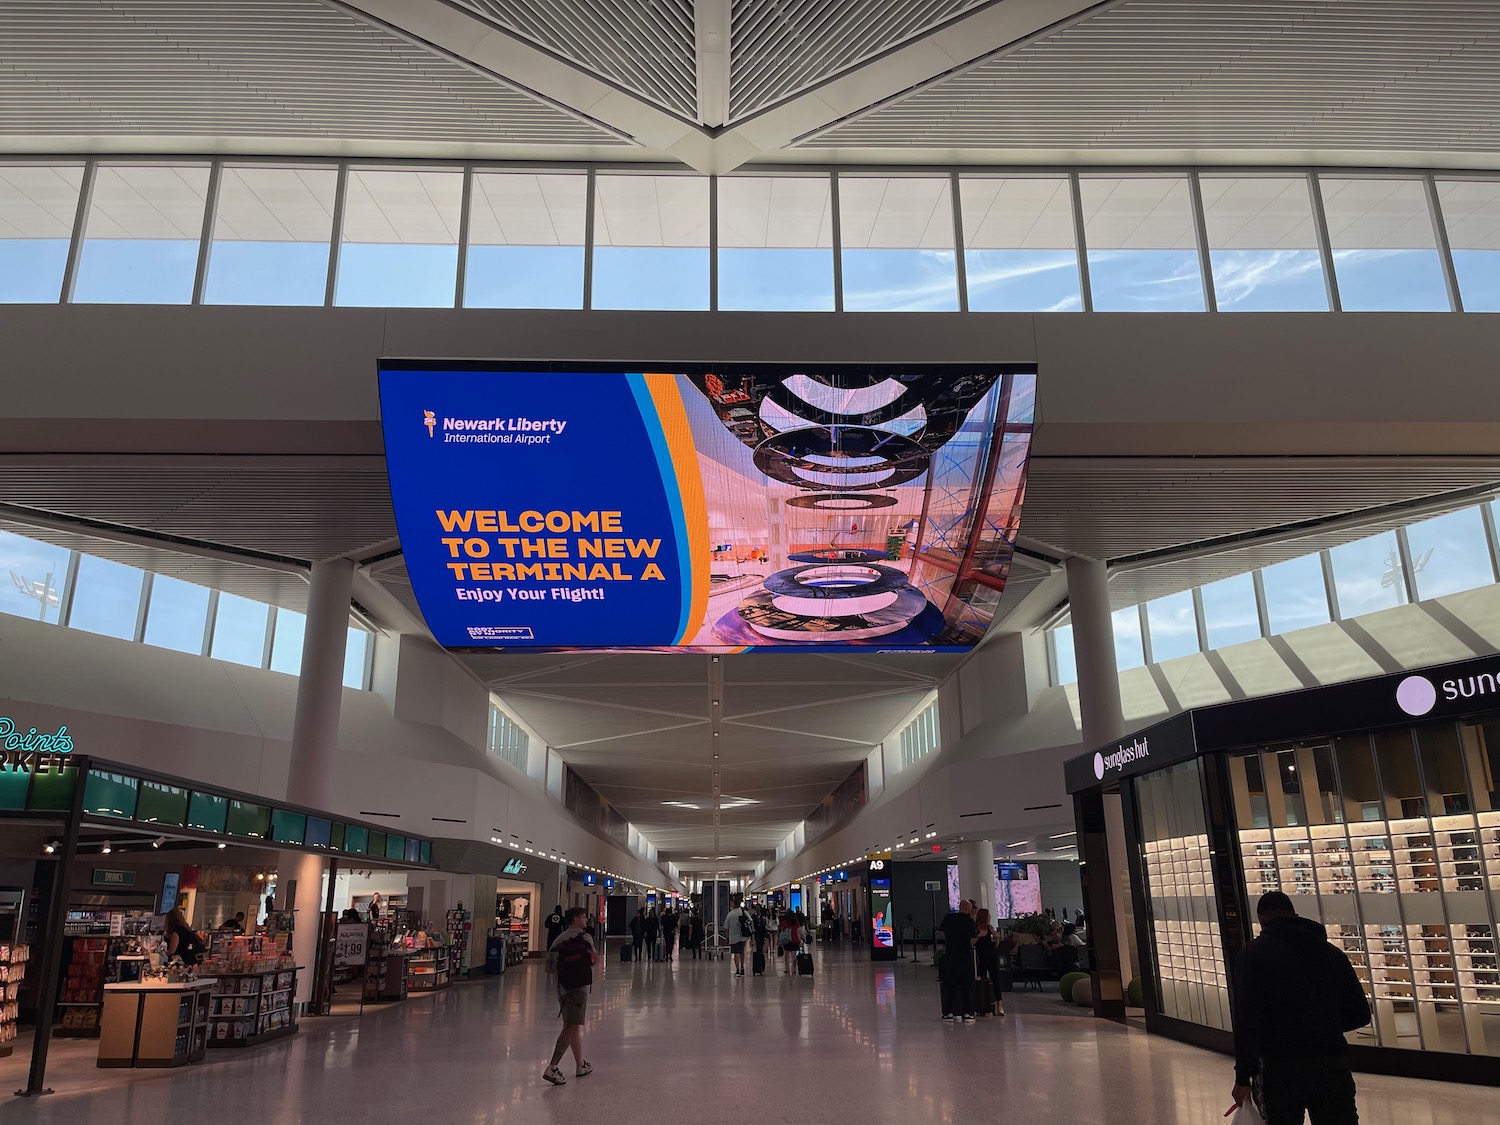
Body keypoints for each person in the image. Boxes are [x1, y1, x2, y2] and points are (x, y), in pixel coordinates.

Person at [1231, 891, 1371, 1125]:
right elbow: (1360, 1013)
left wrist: (1242, 1076)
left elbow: (1248, 1020)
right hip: (1331, 1065)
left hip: (1279, 1068)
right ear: (1295, 914)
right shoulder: (1332, 954)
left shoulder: (1253, 955)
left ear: (1262, 918)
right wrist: (1325, 1026)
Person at [542, 907, 596, 1086]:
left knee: (572, 1026)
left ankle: (580, 1065)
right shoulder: (584, 938)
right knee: (571, 1027)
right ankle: (552, 1067)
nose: (586, 919)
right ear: (575, 919)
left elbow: (547, 967)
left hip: (562, 988)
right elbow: (593, 960)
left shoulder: (559, 939)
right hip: (579, 989)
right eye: (583, 917)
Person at [937, 898, 978, 1022]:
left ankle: (948, 1012)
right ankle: (968, 1012)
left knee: (951, 985)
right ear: (967, 909)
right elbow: (972, 939)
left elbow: (943, 933)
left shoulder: (948, 918)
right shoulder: (970, 922)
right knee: (966, 986)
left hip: (951, 956)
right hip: (964, 957)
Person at [973, 908, 1006, 1018]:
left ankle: (999, 1006)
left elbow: (995, 945)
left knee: (996, 981)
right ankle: (981, 1005)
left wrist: (996, 938)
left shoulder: (990, 928)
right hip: (981, 958)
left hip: (991, 957)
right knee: (980, 981)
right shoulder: (975, 928)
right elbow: (972, 943)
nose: (990, 917)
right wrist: (979, 936)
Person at [724, 896, 754, 976]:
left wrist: (726, 937)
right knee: (741, 952)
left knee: (736, 953)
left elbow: (726, 927)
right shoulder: (743, 912)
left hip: (733, 936)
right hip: (743, 935)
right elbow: (750, 921)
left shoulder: (730, 914)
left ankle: (737, 970)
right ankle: (742, 967)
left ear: (734, 904)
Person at [777, 909, 801, 975]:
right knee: (794, 956)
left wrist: (779, 940)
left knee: (786, 956)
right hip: (795, 940)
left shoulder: (784, 922)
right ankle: (794, 970)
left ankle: (787, 969)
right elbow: (798, 932)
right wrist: (800, 940)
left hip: (787, 941)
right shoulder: (796, 922)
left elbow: (782, 932)